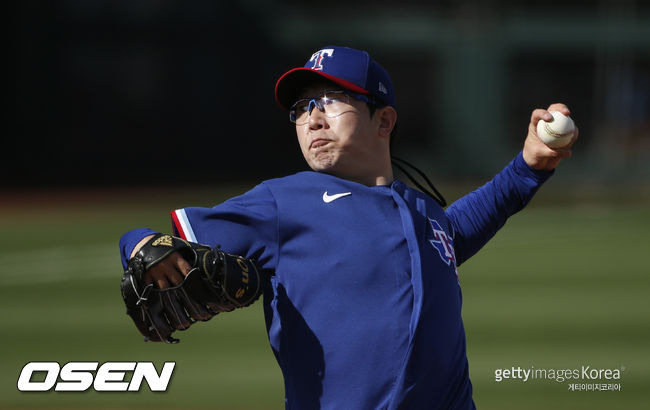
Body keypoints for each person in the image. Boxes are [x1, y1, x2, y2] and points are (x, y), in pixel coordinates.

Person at [119, 45, 577, 409]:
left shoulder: (423, 212)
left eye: (330, 101)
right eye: (300, 108)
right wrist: (138, 244)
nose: (312, 118)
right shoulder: (284, 201)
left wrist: (528, 167)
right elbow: (160, 245)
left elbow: (453, 233)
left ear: (384, 120)